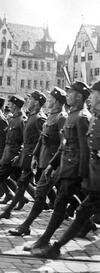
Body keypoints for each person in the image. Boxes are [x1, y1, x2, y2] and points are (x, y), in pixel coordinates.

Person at [33, 80, 100, 259]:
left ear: (80, 96)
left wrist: (85, 175)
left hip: (79, 170)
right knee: (76, 207)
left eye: (71, 93)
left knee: (66, 204)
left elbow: (86, 150)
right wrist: (52, 165)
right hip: (70, 167)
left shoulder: (83, 117)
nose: (67, 95)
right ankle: (53, 242)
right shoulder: (76, 116)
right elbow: (65, 145)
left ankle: (49, 242)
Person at [9, 88, 68, 236]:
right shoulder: (51, 117)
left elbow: (63, 145)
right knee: (63, 196)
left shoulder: (61, 118)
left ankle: (25, 226)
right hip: (44, 159)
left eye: (51, 99)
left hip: (54, 163)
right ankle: (87, 224)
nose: (48, 101)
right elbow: (42, 139)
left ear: (57, 101)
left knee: (41, 193)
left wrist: (54, 165)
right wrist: (35, 156)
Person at [0, 91, 47, 219]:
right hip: (28, 155)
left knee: (55, 188)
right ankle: (9, 210)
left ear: (36, 102)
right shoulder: (32, 116)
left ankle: (10, 210)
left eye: (30, 100)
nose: (27, 102)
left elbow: (42, 141)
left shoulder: (39, 118)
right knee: (23, 183)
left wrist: (35, 156)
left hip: (35, 157)